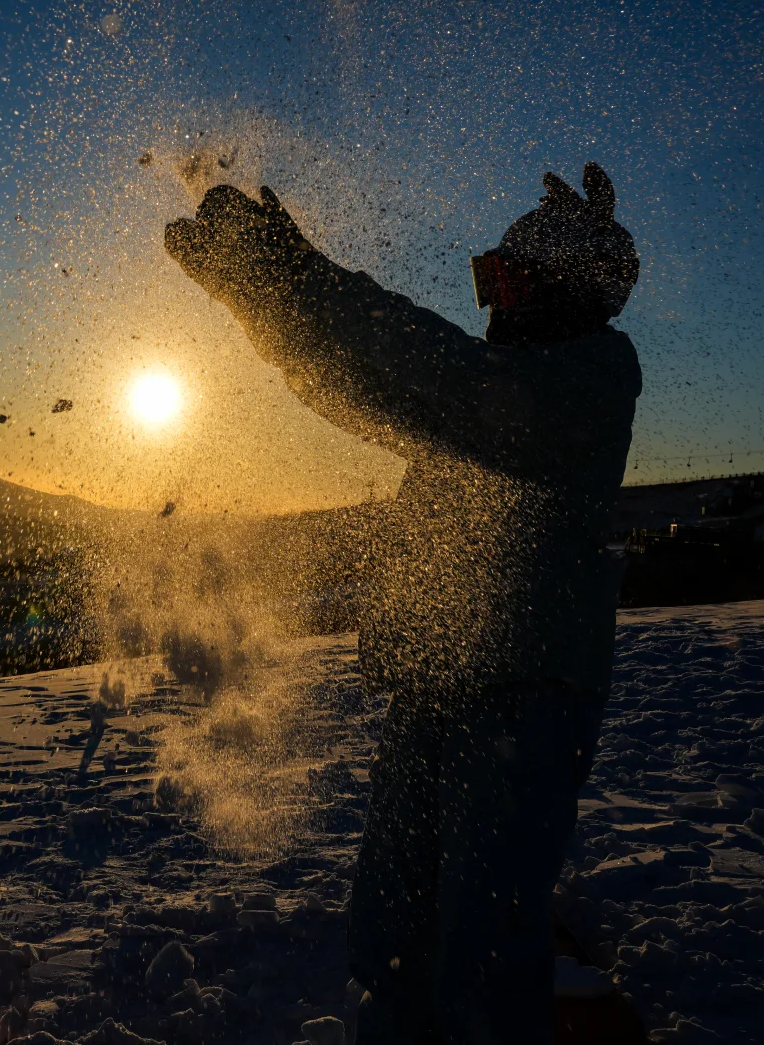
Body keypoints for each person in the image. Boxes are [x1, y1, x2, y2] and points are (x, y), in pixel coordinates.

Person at [164, 165, 642, 1044]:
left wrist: (303, 277)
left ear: (564, 290)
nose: (492, 302)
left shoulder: (583, 383)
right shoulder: (494, 395)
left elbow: (438, 366)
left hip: (521, 703)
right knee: (390, 949)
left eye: (506, 280)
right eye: (486, 280)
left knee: (481, 968)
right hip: (439, 692)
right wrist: (260, 302)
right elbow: (356, 389)